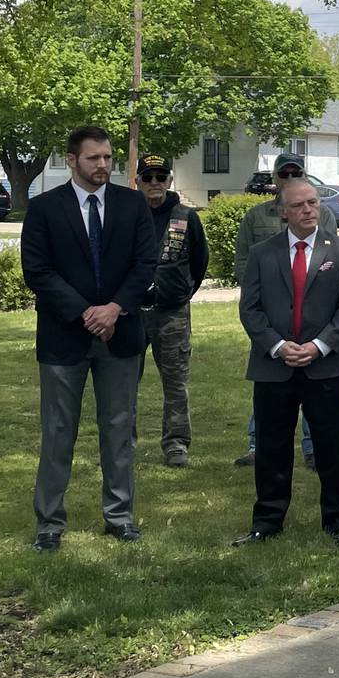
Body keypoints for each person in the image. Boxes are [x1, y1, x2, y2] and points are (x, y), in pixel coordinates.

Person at [21, 126, 157, 551]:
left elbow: (145, 264)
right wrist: (85, 313)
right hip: (64, 338)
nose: (103, 165)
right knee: (59, 430)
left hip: (121, 334)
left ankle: (119, 517)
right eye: (94, 158)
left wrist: (114, 309)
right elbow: (37, 271)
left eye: (108, 157)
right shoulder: (44, 208)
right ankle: (49, 524)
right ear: (72, 160)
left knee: (119, 428)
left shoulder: (132, 205)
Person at [234, 178, 339, 546]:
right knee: (272, 447)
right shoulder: (263, 253)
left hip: (326, 364)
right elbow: (251, 309)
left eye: (313, 203)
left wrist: (320, 345)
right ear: (282, 212)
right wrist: (277, 346)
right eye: (299, 205)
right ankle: (267, 521)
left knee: (333, 446)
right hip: (274, 365)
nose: (309, 210)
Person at [233, 152, 335, 469]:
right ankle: (258, 444)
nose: (290, 177)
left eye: (296, 171)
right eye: (285, 172)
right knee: (269, 382)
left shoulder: (324, 214)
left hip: (313, 318)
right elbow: (243, 264)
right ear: (275, 177)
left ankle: (313, 447)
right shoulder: (256, 216)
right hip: (271, 317)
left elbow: (333, 261)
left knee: (314, 382)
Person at [136, 155, 209, 467]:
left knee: (176, 381)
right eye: (148, 177)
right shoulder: (127, 214)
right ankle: (122, 443)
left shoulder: (186, 216)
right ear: (137, 180)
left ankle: (176, 444)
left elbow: (199, 261)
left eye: (161, 177)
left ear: (169, 180)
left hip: (172, 313)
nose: (155, 183)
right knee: (122, 381)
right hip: (129, 313)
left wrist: (179, 292)